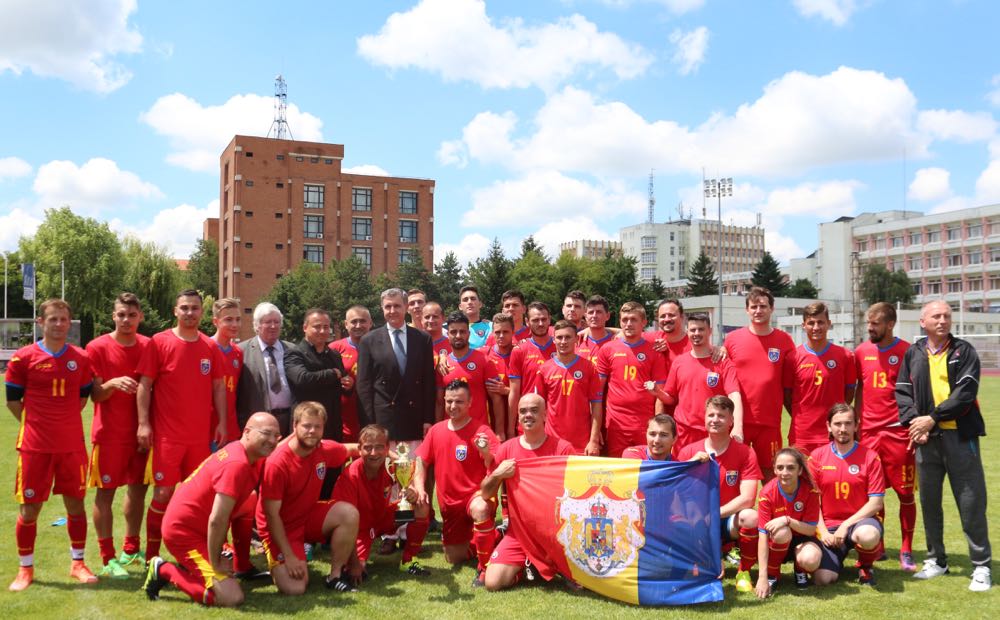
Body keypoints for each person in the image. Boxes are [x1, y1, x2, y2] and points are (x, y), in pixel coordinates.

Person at [897, 300, 992, 591]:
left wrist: (932, 420)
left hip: (960, 439)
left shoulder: (964, 351)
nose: (943, 320)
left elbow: (965, 394)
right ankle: (936, 560)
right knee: (929, 502)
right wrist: (916, 424)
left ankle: (981, 566)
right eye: (936, 316)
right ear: (922, 322)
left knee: (971, 501)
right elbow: (902, 391)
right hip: (926, 440)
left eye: (947, 316)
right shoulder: (913, 353)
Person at [6, 299, 97, 592]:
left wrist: (61, 422)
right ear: (40, 323)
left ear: (69, 323)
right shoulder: (23, 358)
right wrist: (37, 424)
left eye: (63, 320)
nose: (58, 324)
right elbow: (12, 401)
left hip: (71, 445)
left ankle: (78, 563)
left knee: (76, 505)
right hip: (34, 446)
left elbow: (82, 398)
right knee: (29, 509)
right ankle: (25, 569)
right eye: (53, 319)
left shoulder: (81, 359)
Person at [143, 412, 279, 607]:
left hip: (198, 523)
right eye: (266, 433)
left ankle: (242, 565)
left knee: (251, 500)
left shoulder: (250, 454)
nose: (272, 440)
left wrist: (307, 433)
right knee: (231, 598)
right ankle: (163, 569)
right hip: (183, 533)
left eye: (277, 435)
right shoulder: (237, 464)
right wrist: (216, 562)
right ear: (247, 432)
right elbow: (217, 519)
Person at [137, 289, 226, 563]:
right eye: (184, 308)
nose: (190, 313)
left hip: (199, 439)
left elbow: (219, 386)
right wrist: (143, 423)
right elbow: (145, 385)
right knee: (163, 493)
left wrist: (221, 421)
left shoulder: (209, 347)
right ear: (175, 311)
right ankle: (153, 555)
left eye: (195, 308)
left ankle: (197, 551)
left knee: (198, 497)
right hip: (167, 438)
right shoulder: (159, 342)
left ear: (202, 312)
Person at [256, 402, 360, 594]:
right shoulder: (277, 462)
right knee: (295, 588)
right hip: (280, 527)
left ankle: (335, 576)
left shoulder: (322, 448)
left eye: (317, 426)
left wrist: (389, 453)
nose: (312, 431)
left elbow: (352, 449)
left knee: (349, 513)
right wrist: (289, 556)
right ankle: (278, 560)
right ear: (294, 426)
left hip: (307, 516)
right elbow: (271, 516)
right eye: (306, 426)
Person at [84, 293, 151, 579]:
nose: (126, 320)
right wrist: (111, 383)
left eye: (132, 315)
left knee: (138, 491)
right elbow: (95, 396)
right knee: (105, 494)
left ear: (140, 318)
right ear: (113, 316)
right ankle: (107, 557)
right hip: (109, 434)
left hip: (142, 434)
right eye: (121, 314)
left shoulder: (149, 346)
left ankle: (131, 547)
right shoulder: (96, 347)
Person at [480, 393, 575, 590]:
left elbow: (576, 494)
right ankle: (527, 567)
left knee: (582, 583)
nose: (527, 415)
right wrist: (498, 474)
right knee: (492, 583)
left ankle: (548, 563)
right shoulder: (506, 449)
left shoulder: (563, 449)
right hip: (519, 534)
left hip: (556, 534)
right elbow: (485, 493)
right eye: (523, 411)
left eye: (534, 410)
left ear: (545, 415)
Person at [854, 301, 917, 571]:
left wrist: (915, 426)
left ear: (890, 324)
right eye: (869, 322)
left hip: (898, 432)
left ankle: (906, 549)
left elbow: (918, 392)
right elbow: (858, 388)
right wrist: (856, 422)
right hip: (868, 433)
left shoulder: (908, 352)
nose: (870, 327)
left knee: (905, 493)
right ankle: (877, 546)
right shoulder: (860, 352)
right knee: (872, 493)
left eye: (876, 323)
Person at [413, 380, 500, 574]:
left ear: (470, 402)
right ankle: (494, 536)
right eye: (449, 401)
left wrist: (485, 452)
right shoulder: (436, 430)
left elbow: (494, 465)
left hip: (476, 496)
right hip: (450, 507)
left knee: (481, 508)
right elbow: (421, 460)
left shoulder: (482, 431)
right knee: (453, 558)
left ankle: (484, 569)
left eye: (459, 402)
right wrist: (419, 488)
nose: (453, 406)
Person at [678, 396, 762, 594]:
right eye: (711, 415)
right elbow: (678, 493)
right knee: (709, 573)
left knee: (751, 517)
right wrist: (690, 465)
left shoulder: (745, 452)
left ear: (731, 421)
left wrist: (714, 513)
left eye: (721, 416)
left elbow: (748, 498)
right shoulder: (689, 451)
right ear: (704, 418)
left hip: (726, 520)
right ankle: (702, 561)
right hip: (696, 521)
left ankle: (744, 571)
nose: (715, 419)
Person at [333, 424, 432, 582]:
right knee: (356, 570)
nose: (374, 453)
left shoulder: (391, 466)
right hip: (359, 531)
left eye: (379, 447)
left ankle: (408, 560)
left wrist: (413, 491)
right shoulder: (349, 476)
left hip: (383, 519)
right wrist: (355, 563)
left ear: (387, 449)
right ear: (359, 449)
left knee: (421, 505)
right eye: (368, 448)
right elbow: (343, 524)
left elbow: (414, 469)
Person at [724, 287, 796, 479]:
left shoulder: (784, 340)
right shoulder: (732, 340)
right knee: (735, 474)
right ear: (747, 310)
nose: (758, 310)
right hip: (739, 422)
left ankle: (773, 510)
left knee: (772, 473)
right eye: (754, 306)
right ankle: (735, 510)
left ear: (771, 309)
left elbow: (792, 381)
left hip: (770, 422)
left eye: (763, 306)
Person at [810, 403, 885, 587]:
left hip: (860, 523)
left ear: (856, 425)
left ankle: (866, 566)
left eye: (848, 423)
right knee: (822, 580)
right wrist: (823, 532)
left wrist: (845, 525)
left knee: (868, 535)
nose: (843, 429)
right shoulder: (817, 457)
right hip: (829, 526)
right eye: (837, 424)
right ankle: (836, 559)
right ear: (829, 426)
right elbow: (811, 502)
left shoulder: (870, 457)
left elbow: (876, 503)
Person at [356, 288, 436, 446]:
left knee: (413, 469)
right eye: (388, 307)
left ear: (406, 307)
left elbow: (428, 382)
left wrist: (428, 419)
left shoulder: (422, 339)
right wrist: (369, 424)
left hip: (414, 418)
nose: (392, 311)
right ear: (382, 309)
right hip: (383, 420)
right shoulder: (368, 340)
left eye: (397, 306)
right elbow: (364, 386)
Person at [657, 313, 742, 451]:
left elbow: (734, 395)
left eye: (701, 329)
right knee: (684, 472)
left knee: (714, 472)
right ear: (687, 332)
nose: (696, 333)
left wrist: (737, 426)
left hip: (714, 431)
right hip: (684, 433)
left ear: (710, 331)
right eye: (692, 330)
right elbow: (670, 398)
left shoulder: (722, 362)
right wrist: (657, 392)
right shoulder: (679, 362)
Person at [596, 301, 667, 457]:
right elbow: (597, 393)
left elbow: (659, 394)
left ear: (644, 322)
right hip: (616, 425)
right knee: (618, 471)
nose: (628, 324)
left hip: (644, 425)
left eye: (633, 319)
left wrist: (657, 425)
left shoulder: (654, 350)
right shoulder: (608, 349)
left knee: (644, 471)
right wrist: (595, 428)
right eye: (624, 320)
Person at [787, 302, 856, 455]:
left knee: (832, 478)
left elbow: (850, 392)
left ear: (829, 324)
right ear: (803, 325)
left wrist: (836, 415)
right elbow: (787, 395)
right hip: (802, 434)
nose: (816, 327)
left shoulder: (845, 356)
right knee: (801, 478)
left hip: (834, 432)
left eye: (820, 322)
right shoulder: (792, 358)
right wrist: (803, 415)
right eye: (811, 323)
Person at [754, 447, 822, 598]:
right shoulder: (766, 493)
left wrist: (787, 520)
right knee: (782, 532)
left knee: (811, 559)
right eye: (780, 467)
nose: (785, 472)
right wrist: (762, 576)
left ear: (799, 470)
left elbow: (811, 530)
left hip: (803, 539)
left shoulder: (810, 491)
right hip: (778, 542)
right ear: (775, 470)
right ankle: (773, 574)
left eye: (791, 467)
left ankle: (800, 570)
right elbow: (763, 536)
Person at [535, 320, 603, 455]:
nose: (563, 341)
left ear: (576, 339)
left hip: (582, 442)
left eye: (568, 337)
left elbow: (596, 405)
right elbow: (538, 407)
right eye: (559, 337)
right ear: (553, 340)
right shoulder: (544, 369)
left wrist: (593, 440)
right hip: (552, 441)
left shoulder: (589, 368)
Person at [436, 311, 505, 436]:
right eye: (453, 332)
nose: (458, 335)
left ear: (468, 333)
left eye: (462, 331)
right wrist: (437, 431)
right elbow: (440, 403)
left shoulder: (484, 360)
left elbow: (496, 399)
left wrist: (500, 431)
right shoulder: (442, 365)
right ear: (448, 335)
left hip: (480, 432)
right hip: (451, 433)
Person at [237, 302, 295, 436]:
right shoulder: (242, 351)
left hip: (289, 420)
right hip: (259, 424)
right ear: (257, 326)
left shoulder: (292, 350)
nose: (273, 326)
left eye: (277, 322)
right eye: (268, 322)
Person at [506, 302, 556, 437]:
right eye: (535, 320)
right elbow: (514, 393)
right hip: (528, 420)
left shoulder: (561, 347)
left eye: (544, 319)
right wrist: (510, 428)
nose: (540, 324)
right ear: (527, 322)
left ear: (549, 320)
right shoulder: (519, 351)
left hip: (555, 422)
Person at [329, 305, 371, 442]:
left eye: (363, 321)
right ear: (346, 324)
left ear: (370, 323)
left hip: (372, 412)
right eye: (353, 322)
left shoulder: (380, 346)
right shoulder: (334, 348)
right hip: (344, 416)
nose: (358, 325)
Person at [210, 297, 243, 447]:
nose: (235, 324)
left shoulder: (238, 352)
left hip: (231, 429)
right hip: (208, 428)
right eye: (229, 319)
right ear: (216, 321)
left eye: (238, 319)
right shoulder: (205, 348)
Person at [485, 313, 514, 430]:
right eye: (497, 332)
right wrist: (443, 356)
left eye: (505, 332)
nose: (501, 336)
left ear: (513, 332)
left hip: (517, 420)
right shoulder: (484, 354)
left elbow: (530, 392)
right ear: (492, 333)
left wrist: (507, 391)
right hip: (491, 421)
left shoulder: (521, 354)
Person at [575, 295, 614, 365]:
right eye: (591, 312)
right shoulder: (577, 341)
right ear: (586, 316)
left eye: (599, 312)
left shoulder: (616, 340)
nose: (594, 316)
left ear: (607, 316)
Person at [459, 285, 492, 350]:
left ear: (480, 304)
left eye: (473, 299)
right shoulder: (451, 329)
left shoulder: (492, 327)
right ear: (460, 306)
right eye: (465, 300)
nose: (469, 302)